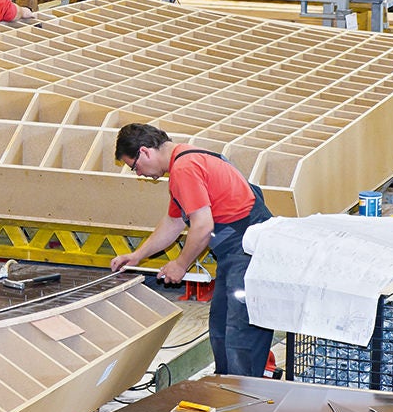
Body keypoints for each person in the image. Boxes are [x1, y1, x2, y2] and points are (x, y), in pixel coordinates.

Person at [109, 123, 275, 378]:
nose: (139, 174)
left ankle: (245, 404)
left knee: (240, 333)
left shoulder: (184, 168)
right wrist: (137, 255)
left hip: (248, 252)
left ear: (145, 152)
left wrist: (180, 264)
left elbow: (202, 225)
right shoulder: (187, 159)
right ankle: (227, 393)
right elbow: (174, 223)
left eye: (134, 167)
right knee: (220, 327)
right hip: (237, 254)